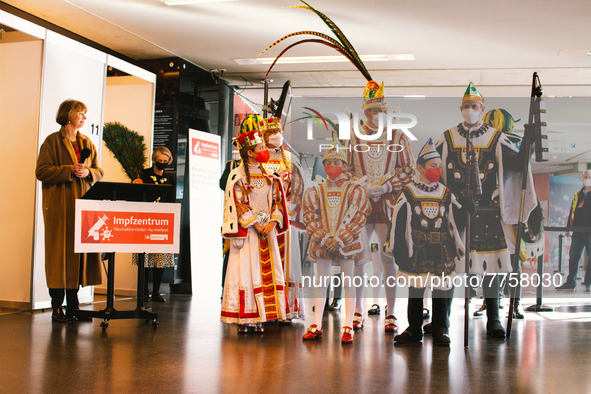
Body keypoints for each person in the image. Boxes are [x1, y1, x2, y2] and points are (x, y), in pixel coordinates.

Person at [434, 83, 537, 338]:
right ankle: (441, 325)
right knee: (448, 270)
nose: (471, 111)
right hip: (455, 214)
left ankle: (494, 319)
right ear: (461, 109)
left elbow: (517, 164)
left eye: (475, 107)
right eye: (467, 106)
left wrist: (528, 143)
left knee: (491, 269)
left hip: (488, 214)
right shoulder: (447, 138)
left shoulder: (496, 137)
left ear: (483, 109)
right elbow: (432, 171)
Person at [347, 81, 415, 333]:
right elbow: (343, 169)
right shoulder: (352, 136)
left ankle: (392, 312)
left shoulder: (398, 136)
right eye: (376, 111)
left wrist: (387, 187)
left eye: (383, 110)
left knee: (389, 260)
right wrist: (359, 185)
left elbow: (409, 170)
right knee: (358, 260)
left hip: (389, 205)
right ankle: (356, 310)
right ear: (367, 112)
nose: (380, 115)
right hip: (360, 206)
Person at [384, 139, 466, 346]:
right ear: (420, 167)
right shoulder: (408, 192)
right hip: (417, 250)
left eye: (439, 166)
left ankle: (441, 329)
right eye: (433, 166)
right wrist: (400, 251)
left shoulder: (446, 193)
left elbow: (458, 221)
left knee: (440, 292)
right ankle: (414, 329)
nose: (437, 170)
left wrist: (468, 209)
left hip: (441, 250)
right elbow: (399, 223)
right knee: (416, 291)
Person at [35, 99, 104, 322]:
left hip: (83, 206)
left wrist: (89, 173)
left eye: (85, 114)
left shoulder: (86, 142)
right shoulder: (52, 142)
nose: (84, 118)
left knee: (78, 254)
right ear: (68, 115)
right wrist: (68, 170)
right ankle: (57, 307)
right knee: (59, 256)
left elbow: (99, 171)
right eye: (80, 113)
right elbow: (41, 171)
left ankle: (74, 306)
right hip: (60, 207)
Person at [220, 115, 288, 333]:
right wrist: (257, 225)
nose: (264, 150)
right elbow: (238, 202)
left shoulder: (271, 176)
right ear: (250, 152)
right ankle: (245, 317)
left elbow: (277, 201)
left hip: (267, 232)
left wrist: (272, 223)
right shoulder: (237, 176)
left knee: (266, 273)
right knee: (247, 273)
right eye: (261, 147)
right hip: (249, 233)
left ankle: (262, 316)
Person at [302, 143, 371, 344]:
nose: (333, 166)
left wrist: (341, 238)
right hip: (323, 243)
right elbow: (310, 216)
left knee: (349, 283)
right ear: (324, 165)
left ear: (345, 164)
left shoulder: (355, 190)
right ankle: (316, 324)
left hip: (346, 244)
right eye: (329, 162)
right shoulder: (316, 191)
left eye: (337, 162)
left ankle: (348, 325)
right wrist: (323, 237)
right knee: (321, 283)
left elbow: (359, 217)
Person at [260, 116, 306, 321]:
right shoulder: (257, 159)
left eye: (277, 131)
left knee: (286, 263)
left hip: (285, 218)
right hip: (261, 218)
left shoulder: (290, 158)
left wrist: (286, 209)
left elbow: (299, 186)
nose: (275, 135)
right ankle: (265, 308)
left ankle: (285, 309)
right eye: (270, 132)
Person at [132, 146, 176, 302]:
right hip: (146, 219)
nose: (163, 163)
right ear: (154, 160)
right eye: (160, 161)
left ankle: (156, 292)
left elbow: (171, 199)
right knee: (145, 257)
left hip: (162, 220)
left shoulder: (170, 178)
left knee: (160, 257)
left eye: (166, 161)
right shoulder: (144, 174)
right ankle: (143, 291)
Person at [557, 170, 591, 291]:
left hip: (589, 232)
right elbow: (572, 212)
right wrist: (568, 228)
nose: (586, 179)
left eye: (589, 177)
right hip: (577, 231)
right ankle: (570, 283)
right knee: (573, 257)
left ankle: (589, 283)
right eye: (585, 177)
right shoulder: (578, 194)